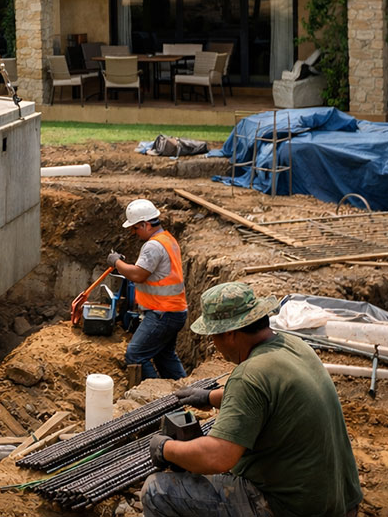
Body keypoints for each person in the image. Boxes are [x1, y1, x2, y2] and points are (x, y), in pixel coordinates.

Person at [143, 282, 362, 517]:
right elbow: (269, 394)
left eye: (213, 337)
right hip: (340, 501)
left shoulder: (249, 375)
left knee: (156, 492)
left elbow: (218, 457)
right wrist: (209, 397)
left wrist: (165, 449)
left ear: (229, 333)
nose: (215, 346)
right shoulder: (295, 346)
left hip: (291, 507)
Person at [107, 198, 187, 380]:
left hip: (163, 313)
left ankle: (154, 396)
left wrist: (116, 262)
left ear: (145, 224)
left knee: (135, 354)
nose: (134, 233)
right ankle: (184, 392)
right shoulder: (168, 239)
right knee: (164, 356)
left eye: (135, 228)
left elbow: (137, 275)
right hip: (173, 311)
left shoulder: (152, 246)